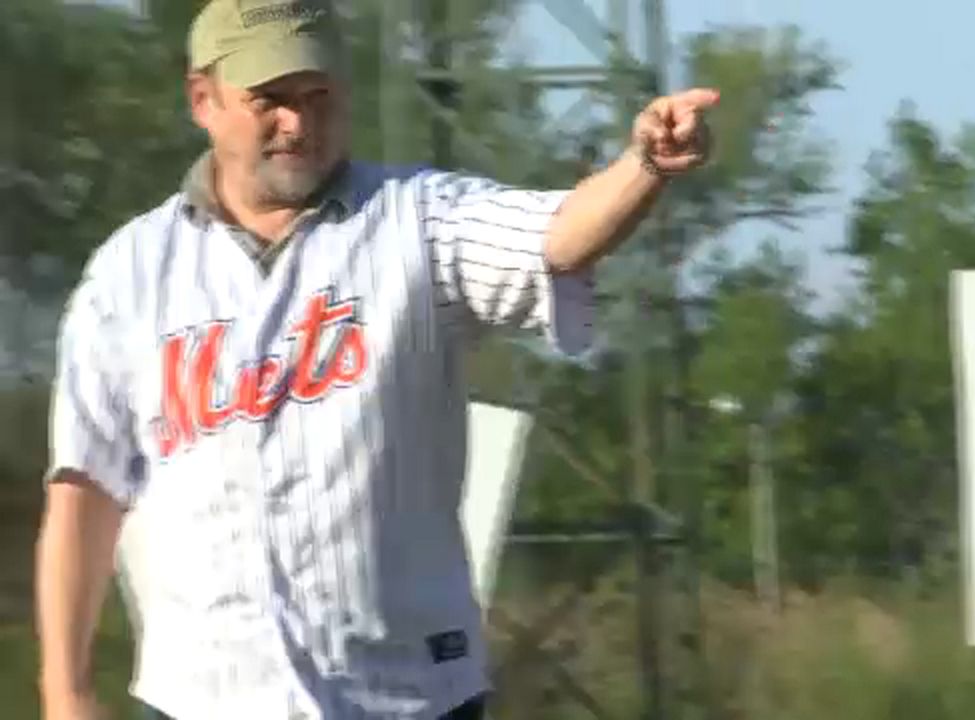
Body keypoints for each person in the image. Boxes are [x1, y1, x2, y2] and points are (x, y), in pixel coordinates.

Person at [33, 0, 717, 718]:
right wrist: (66, 688)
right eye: (269, 99)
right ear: (202, 99)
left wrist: (644, 167)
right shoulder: (130, 273)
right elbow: (85, 489)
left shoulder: (415, 220)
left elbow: (557, 235)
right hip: (201, 698)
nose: (297, 121)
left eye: (317, 95)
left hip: (405, 694)